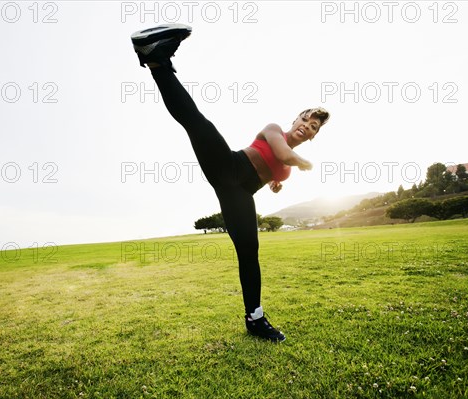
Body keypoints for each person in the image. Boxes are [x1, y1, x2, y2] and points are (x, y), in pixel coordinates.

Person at [130, 24, 329, 342]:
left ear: (316, 134)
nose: (307, 125)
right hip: (228, 165)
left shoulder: (288, 169)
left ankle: (255, 318)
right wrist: (300, 162)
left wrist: (277, 183)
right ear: (295, 120)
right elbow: (280, 153)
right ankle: (156, 59)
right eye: (305, 119)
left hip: (238, 194)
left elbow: (273, 175)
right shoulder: (274, 128)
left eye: (314, 125)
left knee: (250, 251)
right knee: (196, 121)